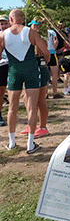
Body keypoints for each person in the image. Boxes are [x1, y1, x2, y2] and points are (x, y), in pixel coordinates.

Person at [0, 9, 50, 153]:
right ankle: (30, 144)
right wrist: (45, 63)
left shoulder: (3, 34)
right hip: (31, 71)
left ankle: (11, 142)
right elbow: (45, 52)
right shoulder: (31, 32)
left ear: (10, 19)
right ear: (24, 19)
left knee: (12, 108)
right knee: (31, 107)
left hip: (14, 71)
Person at [20, 20, 51, 139]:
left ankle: (43, 127)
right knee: (27, 99)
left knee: (40, 101)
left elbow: (46, 54)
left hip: (40, 69)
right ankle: (31, 125)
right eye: (33, 25)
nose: (34, 27)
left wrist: (42, 64)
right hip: (31, 70)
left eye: (36, 25)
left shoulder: (40, 38)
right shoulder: (27, 38)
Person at [0, 15, 10, 127]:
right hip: (1, 65)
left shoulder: (15, 35)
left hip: (11, 65)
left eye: (5, 23)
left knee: (4, 90)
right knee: (1, 90)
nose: (3, 26)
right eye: (1, 24)